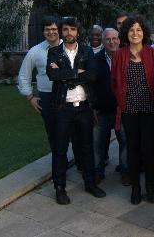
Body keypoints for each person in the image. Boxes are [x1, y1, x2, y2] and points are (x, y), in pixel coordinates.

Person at [46, 17, 106, 205]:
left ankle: (90, 183)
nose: (69, 33)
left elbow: (92, 75)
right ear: (61, 32)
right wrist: (76, 73)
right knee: (60, 149)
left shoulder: (87, 51)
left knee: (87, 147)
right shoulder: (54, 52)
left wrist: (66, 75)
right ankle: (60, 188)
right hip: (62, 108)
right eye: (65, 29)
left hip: (84, 108)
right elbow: (52, 74)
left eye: (72, 29)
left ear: (78, 32)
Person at [111, 16, 154, 205]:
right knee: (132, 149)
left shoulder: (153, 54)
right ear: (126, 33)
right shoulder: (118, 55)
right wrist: (122, 101)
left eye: (139, 30)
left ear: (144, 33)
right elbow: (114, 83)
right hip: (129, 109)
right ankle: (135, 188)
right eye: (131, 30)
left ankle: (149, 186)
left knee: (149, 149)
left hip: (150, 109)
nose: (135, 33)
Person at [92, 28, 129, 186]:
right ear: (103, 41)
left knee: (125, 142)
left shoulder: (127, 58)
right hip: (101, 111)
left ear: (119, 40)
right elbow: (91, 85)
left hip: (122, 110)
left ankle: (126, 172)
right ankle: (98, 172)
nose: (112, 42)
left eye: (115, 38)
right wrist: (93, 106)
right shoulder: (95, 59)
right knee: (98, 144)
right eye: (108, 39)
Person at [18, 16, 61, 151]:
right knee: (53, 132)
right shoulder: (35, 51)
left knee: (74, 131)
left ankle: (80, 162)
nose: (51, 32)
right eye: (47, 29)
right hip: (47, 97)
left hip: (69, 95)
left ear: (59, 30)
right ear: (43, 32)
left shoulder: (69, 48)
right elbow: (23, 75)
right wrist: (30, 97)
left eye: (54, 29)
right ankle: (59, 164)